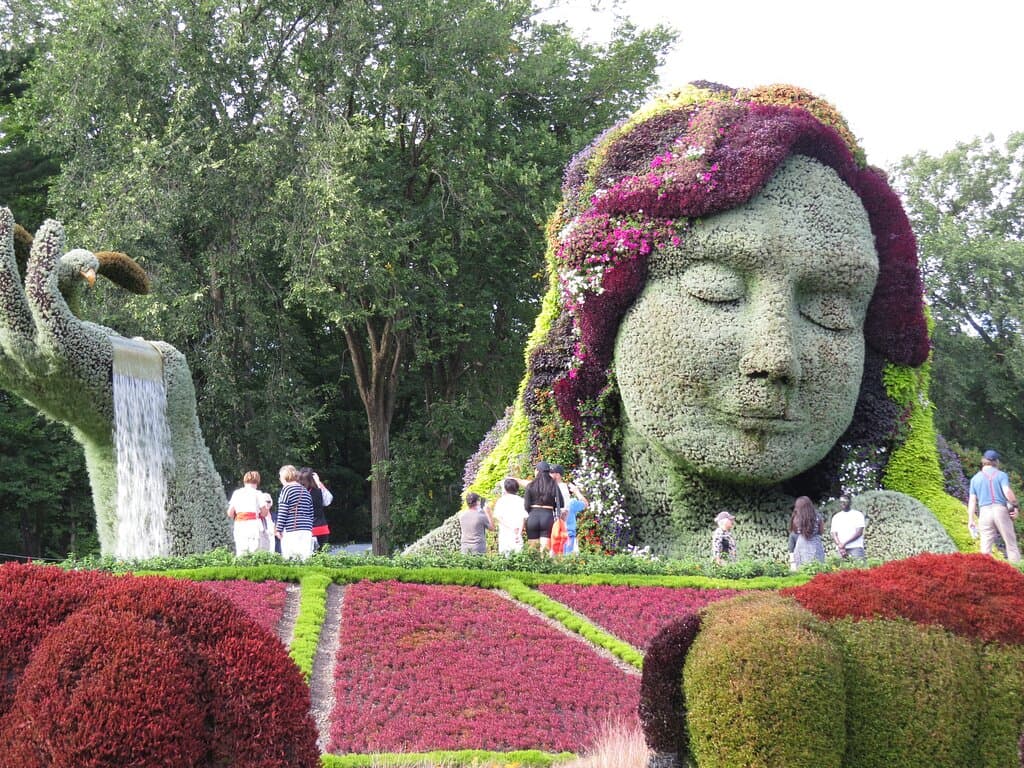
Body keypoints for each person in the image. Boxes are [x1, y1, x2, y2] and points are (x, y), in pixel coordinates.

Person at [443, 83, 955, 564]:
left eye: (830, 309)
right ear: (608, 311)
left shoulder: (903, 546)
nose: (775, 358)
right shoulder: (454, 561)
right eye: (717, 287)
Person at [967, 449, 1021, 563]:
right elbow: (1006, 491)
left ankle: (985, 576)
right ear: (996, 461)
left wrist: (971, 519)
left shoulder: (975, 479)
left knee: (985, 548)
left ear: (983, 461)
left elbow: (972, 501)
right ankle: (1018, 573)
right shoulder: (1001, 475)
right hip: (1000, 510)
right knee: (1011, 545)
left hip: (984, 513)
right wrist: (1015, 506)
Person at [522, 461, 564, 553]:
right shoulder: (553, 485)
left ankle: (533, 566)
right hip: (548, 517)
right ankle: (544, 566)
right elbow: (561, 503)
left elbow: (526, 505)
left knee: (532, 550)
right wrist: (551, 505)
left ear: (537, 471)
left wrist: (532, 511)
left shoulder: (531, 485)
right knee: (545, 551)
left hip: (533, 516)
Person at [226, 470, 271, 557]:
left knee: (241, 552)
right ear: (257, 481)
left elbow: (230, 513)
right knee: (254, 552)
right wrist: (267, 506)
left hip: (239, 525)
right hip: (253, 524)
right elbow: (264, 513)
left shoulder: (237, 493)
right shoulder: (258, 494)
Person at [275, 464, 314, 560]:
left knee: (291, 558)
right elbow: (311, 513)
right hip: (306, 529)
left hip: (292, 528)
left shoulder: (286, 489)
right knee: (304, 559)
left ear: (284, 477)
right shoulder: (305, 491)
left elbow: (283, 511)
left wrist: (278, 529)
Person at [299, 467, 333, 553]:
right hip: (321, 528)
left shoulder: (298, 493)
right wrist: (318, 482)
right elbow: (328, 500)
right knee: (322, 556)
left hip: (305, 529)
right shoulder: (318, 491)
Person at [493, 478, 528, 554]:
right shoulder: (521, 500)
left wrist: (511, 527)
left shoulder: (501, 501)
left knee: (505, 557)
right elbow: (523, 518)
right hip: (517, 533)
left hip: (505, 534)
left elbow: (498, 517)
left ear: (505, 488)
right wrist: (519, 532)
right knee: (518, 557)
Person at [791, 496, 825, 567]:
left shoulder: (796, 518)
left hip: (801, 544)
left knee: (802, 568)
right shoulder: (818, 517)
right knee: (817, 568)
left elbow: (795, 531)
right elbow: (821, 531)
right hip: (816, 544)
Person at [830, 494, 866, 560]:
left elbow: (859, 533)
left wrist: (844, 543)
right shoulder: (836, 517)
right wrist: (840, 545)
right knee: (841, 569)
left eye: (845, 501)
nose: (843, 503)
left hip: (856, 547)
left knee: (859, 568)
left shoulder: (858, 515)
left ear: (850, 502)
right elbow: (834, 533)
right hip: (841, 549)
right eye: (841, 502)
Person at [564, 486, 588, 555]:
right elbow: (585, 503)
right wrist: (576, 492)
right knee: (570, 561)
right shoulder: (571, 503)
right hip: (569, 536)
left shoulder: (551, 502)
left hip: (554, 536)